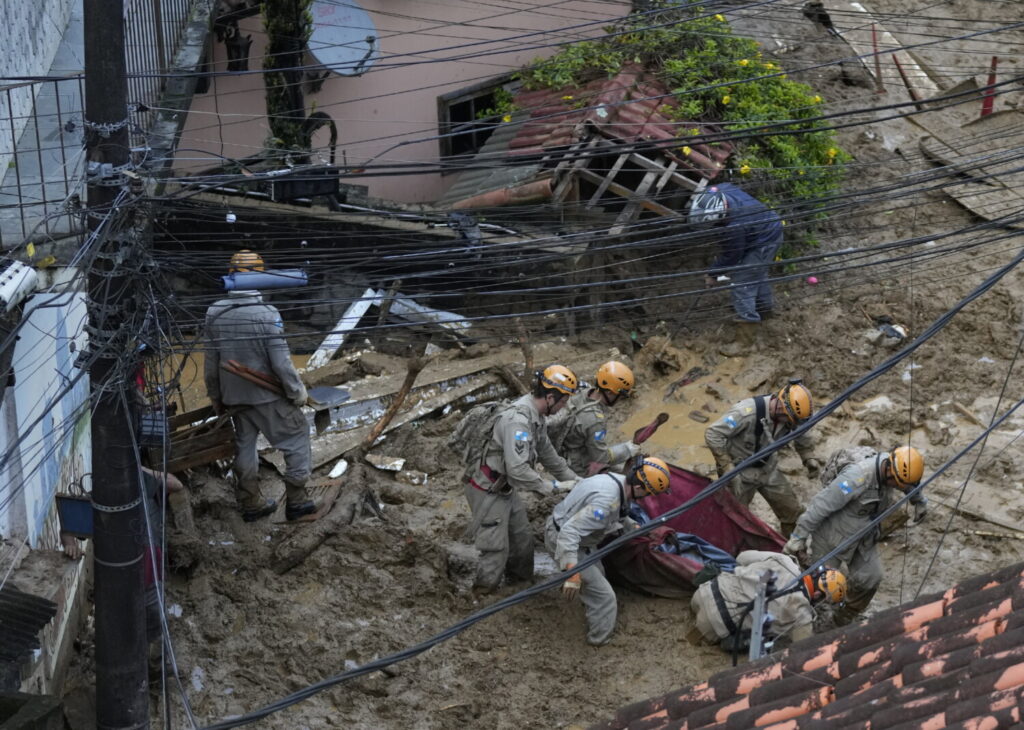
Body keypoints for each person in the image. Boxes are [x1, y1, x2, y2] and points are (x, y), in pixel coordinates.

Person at [203, 250, 316, 522]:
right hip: (267, 397)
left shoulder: (214, 312)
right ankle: (297, 502)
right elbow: (281, 363)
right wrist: (297, 392)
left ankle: (250, 503)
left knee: (245, 446)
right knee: (296, 436)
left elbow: (210, 364)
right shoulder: (267, 313)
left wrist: (216, 397)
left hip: (234, 398)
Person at [465, 365, 582, 592]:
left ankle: (519, 586)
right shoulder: (518, 420)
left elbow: (549, 456)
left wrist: (577, 482)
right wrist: (553, 487)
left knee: (521, 539)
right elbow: (518, 470)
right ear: (550, 397)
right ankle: (483, 593)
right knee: (495, 547)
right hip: (487, 488)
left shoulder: (535, 417)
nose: (563, 407)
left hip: (504, 488)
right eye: (563, 401)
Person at [784, 445, 926, 625]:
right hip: (831, 537)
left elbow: (908, 484)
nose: (900, 488)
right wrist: (798, 537)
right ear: (890, 471)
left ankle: (842, 618)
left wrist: (918, 499)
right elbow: (820, 505)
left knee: (871, 578)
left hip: (864, 536)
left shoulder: (894, 469)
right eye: (898, 484)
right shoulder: (856, 478)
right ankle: (810, 622)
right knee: (820, 587)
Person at [546, 455, 671, 646]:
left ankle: (586, 597)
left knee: (600, 576)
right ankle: (599, 640)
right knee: (605, 598)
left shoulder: (618, 483)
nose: (648, 498)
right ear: (639, 487)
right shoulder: (606, 501)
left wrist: (635, 528)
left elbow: (618, 515)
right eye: (649, 493)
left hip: (580, 538)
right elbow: (569, 532)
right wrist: (572, 570)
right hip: (565, 540)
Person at [704, 379, 821, 537]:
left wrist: (808, 457)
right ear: (781, 407)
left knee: (792, 512)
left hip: (768, 468)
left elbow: (801, 432)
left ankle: (792, 546)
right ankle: (732, 550)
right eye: (790, 420)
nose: (792, 424)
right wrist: (727, 467)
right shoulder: (745, 412)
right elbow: (713, 433)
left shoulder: (792, 417)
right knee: (734, 518)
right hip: (739, 472)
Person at [691, 552, 846, 649]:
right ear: (818, 595)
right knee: (757, 639)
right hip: (711, 625)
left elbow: (741, 557)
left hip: (702, 592)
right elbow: (802, 650)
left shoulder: (784, 560)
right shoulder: (802, 616)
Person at [688, 182, 783, 323]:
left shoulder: (734, 227)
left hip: (765, 242)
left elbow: (732, 255)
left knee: (742, 282)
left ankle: (749, 322)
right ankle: (764, 309)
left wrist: (713, 274)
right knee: (756, 273)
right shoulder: (717, 190)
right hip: (768, 227)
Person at [548, 360, 640, 476]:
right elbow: (601, 457)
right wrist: (627, 449)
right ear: (610, 393)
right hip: (576, 464)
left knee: (617, 470)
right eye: (620, 396)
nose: (620, 400)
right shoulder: (595, 420)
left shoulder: (583, 391)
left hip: (567, 448)